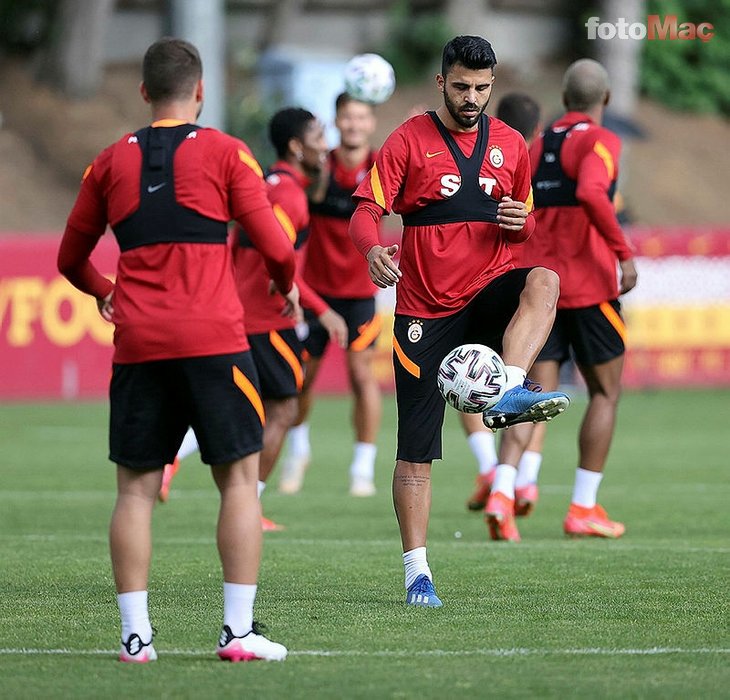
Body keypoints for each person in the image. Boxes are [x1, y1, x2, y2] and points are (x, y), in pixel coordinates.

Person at [57, 37, 292, 662]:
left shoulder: (108, 162)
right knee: (238, 480)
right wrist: (287, 286)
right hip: (215, 340)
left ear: (143, 92)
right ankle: (236, 633)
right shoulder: (227, 152)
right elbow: (278, 247)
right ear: (201, 91)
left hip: (139, 343)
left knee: (135, 491)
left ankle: (136, 639)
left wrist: (106, 290)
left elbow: (69, 259)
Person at [348, 35, 570, 607]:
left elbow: (524, 226)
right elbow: (365, 211)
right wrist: (372, 249)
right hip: (424, 311)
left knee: (545, 281)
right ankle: (417, 574)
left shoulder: (511, 144)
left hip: (488, 292)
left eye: (482, 87)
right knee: (415, 451)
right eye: (463, 86)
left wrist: (520, 222)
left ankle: (509, 390)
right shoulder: (407, 140)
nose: (472, 97)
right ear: (441, 82)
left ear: (492, 85)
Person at [161, 108, 348, 532]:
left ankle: (174, 455)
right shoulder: (289, 195)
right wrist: (316, 306)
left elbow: (244, 246)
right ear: (296, 146)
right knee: (283, 409)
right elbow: (278, 252)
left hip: (237, 312)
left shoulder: (267, 184)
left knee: (244, 406)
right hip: (266, 320)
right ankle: (249, 506)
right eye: (319, 136)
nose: (326, 145)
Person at [492, 58, 638, 540]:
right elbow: (594, 192)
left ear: (563, 98)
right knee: (605, 393)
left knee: (530, 396)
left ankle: (502, 493)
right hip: (589, 287)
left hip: (541, 289)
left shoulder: (535, 144)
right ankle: (583, 507)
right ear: (605, 99)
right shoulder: (600, 140)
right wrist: (623, 254)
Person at [279, 92, 384, 497]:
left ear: (371, 122)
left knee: (361, 376)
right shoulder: (318, 166)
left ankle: (362, 468)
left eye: (361, 117)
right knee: (302, 379)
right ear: (337, 121)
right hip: (315, 294)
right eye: (347, 117)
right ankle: (298, 452)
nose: (354, 124)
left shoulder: (381, 168)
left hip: (359, 294)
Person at [463, 92, 543, 514]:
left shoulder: (484, 156)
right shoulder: (534, 158)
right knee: (530, 385)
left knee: (466, 373)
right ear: (537, 131)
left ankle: (488, 468)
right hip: (529, 293)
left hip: (481, 285)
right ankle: (518, 483)